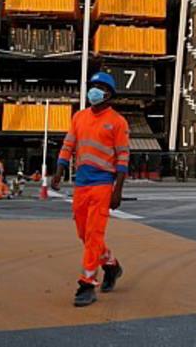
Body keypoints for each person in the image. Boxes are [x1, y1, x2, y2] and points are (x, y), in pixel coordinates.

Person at [51, 72, 130, 307]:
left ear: (109, 94)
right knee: (84, 235)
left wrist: (118, 190)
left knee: (95, 234)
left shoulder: (117, 121)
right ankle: (112, 266)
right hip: (81, 184)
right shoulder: (79, 117)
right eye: (92, 86)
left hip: (103, 184)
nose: (94, 90)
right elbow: (68, 144)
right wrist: (59, 170)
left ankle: (87, 284)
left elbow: (123, 158)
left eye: (99, 86)